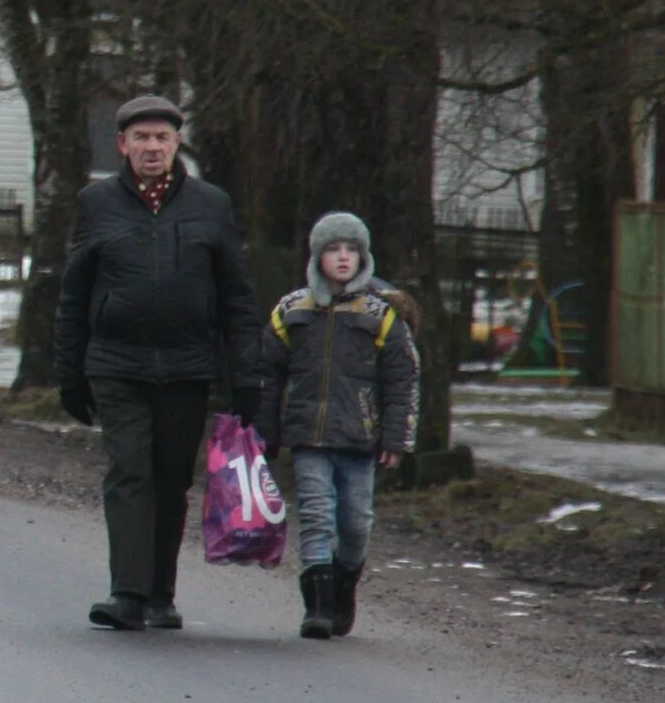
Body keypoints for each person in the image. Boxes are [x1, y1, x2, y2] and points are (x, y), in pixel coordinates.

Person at [54, 93, 263, 632]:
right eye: (141, 138)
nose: (152, 147)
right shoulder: (96, 203)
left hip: (187, 366)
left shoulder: (210, 205)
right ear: (122, 145)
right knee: (130, 472)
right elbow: (74, 292)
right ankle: (126, 593)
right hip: (116, 363)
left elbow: (236, 295)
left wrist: (246, 376)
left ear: (176, 145)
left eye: (162, 138)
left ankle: (159, 596)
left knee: (171, 479)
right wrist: (69, 371)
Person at [263, 212, 418, 641]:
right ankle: (317, 605)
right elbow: (269, 372)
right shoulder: (292, 310)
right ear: (317, 256)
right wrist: (266, 428)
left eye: (351, 250)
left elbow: (402, 378)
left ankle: (345, 583)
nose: (343, 258)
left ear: (364, 256)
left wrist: (396, 437)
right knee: (316, 516)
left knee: (354, 522)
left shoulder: (381, 313)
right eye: (334, 249)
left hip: (359, 437)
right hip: (309, 435)